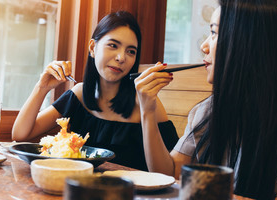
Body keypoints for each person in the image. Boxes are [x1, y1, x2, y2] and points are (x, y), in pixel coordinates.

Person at [135, 0, 277, 200]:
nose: (204, 46)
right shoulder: (210, 109)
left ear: (248, 44)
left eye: (215, 33)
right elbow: (170, 174)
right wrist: (147, 109)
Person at [11, 11, 179, 171]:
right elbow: (21, 134)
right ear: (93, 47)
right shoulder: (79, 94)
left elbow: (167, 173)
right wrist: (42, 87)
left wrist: (148, 110)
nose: (121, 57)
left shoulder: (148, 103)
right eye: (113, 45)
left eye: (131, 51)